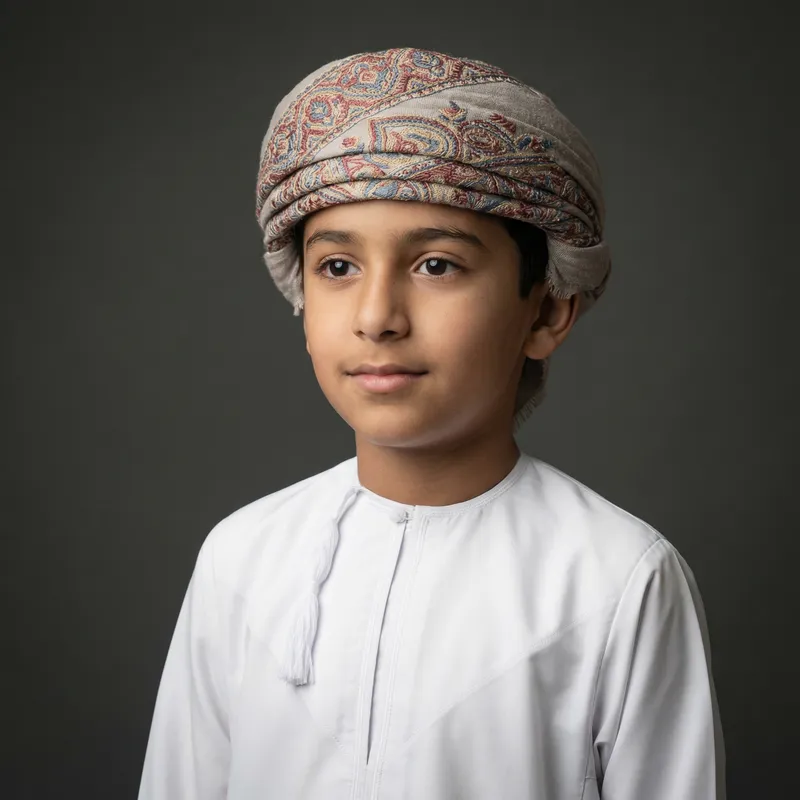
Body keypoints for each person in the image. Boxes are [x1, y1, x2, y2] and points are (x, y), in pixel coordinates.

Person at [138, 47, 725, 799]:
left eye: (437, 265)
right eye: (338, 268)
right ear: (303, 300)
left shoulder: (619, 579)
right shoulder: (243, 559)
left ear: (545, 311)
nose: (377, 318)